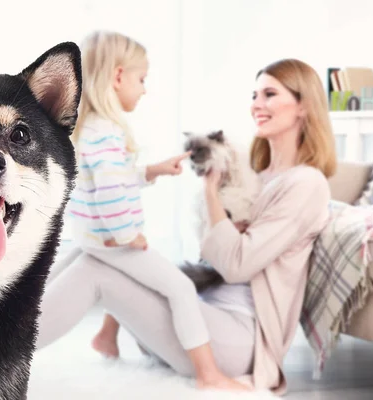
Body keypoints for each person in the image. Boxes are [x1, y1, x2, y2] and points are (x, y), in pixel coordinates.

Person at [36, 57, 337, 396]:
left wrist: (211, 192)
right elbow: (212, 255)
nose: (257, 104)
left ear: (304, 107)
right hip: (204, 315)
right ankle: (5, 325)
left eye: (269, 94)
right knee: (91, 247)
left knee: (96, 268)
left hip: (239, 338)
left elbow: (237, 266)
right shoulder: (256, 176)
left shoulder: (306, 184)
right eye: (254, 95)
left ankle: (0, 353)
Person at [55, 30, 250, 392]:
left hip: (95, 238)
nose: (144, 89)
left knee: (132, 280)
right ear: (117, 77)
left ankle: (106, 337)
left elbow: (110, 180)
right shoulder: (108, 132)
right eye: (141, 79)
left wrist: (153, 170)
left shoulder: (90, 130)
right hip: (114, 240)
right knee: (179, 288)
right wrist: (129, 236)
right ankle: (209, 374)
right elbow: (111, 194)